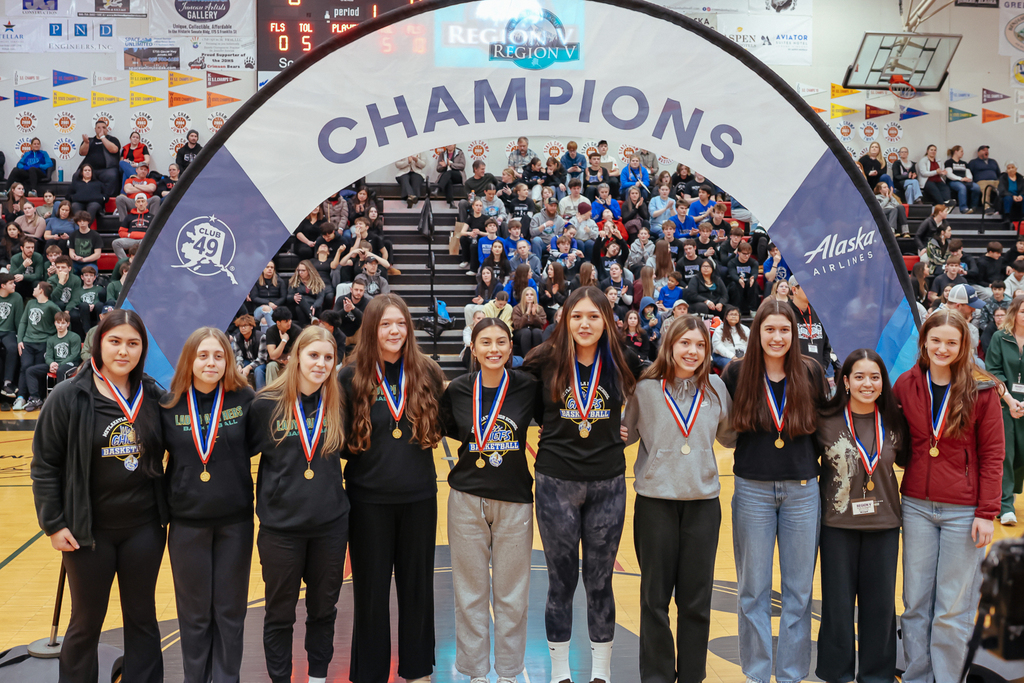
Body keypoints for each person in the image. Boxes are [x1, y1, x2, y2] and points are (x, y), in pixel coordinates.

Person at [31, 309, 166, 683]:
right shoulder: (69, 395)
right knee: (87, 621)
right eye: (115, 341)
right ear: (98, 343)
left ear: (142, 349)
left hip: (144, 527)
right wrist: (53, 524)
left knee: (142, 616)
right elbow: (45, 465)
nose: (124, 351)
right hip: (88, 532)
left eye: (133, 343)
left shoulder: (153, 394)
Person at [521, 286, 640, 683]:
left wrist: (632, 429)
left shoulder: (624, 360)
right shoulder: (543, 360)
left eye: (593, 316)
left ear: (607, 320)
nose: (585, 324)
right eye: (577, 316)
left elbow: (653, 394)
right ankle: (559, 673)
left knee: (600, 580)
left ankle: (601, 674)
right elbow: (519, 404)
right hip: (556, 482)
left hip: (608, 483)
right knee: (561, 580)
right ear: (565, 320)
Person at [893, 310, 1004, 683]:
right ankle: (917, 677)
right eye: (935, 340)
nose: (942, 348)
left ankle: (947, 679)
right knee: (915, 606)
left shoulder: (981, 389)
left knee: (952, 609)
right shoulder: (906, 385)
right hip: (917, 507)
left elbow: (993, 455)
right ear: (924, 341)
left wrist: (986, 511)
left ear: (964, 347)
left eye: (951, 342)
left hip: (964, 511)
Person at [721, 299, 827, 683]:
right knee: (753, 590)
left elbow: (829, 428)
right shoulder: (736, 373)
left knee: (799, 593)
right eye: (770, 330)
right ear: (757, 334)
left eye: (785, 330)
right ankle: (756, 673)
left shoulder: (811, 372)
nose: (778, 337)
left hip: (802, 490)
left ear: (794, 334)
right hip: (752, 490)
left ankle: (792, 675)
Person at [339, 294, 443, 683]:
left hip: (419, 499)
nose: (395, 330)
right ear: (371, 330)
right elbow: (337, 439)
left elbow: (449, 422)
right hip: (367, 501)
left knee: (418, 591)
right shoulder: (349, 378)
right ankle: (370, 673)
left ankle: (418, 671)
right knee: (370, 594)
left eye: (400, 323)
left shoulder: (427, 372)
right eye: (385, 324)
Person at [624, 315, 733, 683]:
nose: (693, 351)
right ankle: (656, 676)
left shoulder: (717, 388)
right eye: (685, 343)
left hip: (703, 505)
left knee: (696, 601)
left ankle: (691, 676)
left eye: (700, 345)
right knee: (654, 600)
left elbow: (731, 436)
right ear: (669, 344)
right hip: (655, 503)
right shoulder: (646, 388)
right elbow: (625, 433)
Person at [247, 325, 348, 683]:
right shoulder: (265, 405)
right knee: (279, 614)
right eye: (313, 355)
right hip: (281, 532)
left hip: (330, 529)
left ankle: (318, 677)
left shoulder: (337, 404)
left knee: (324, 611)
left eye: (328, 357)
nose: (320, 364)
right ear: (295, 358)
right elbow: (235, 455)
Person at [439, 318, 538, 683]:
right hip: (466, 499)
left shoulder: (528, 387)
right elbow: (448, 430)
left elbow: (557, 420)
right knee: (470, 592)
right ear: (474, 349)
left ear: (511, 347)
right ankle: (475, 671)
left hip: (515, 500)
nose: (494, 349)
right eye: (486, 342)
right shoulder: (459, 390)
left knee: (513, 594)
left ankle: (510, 672)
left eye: (501, 342)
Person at [159, 327, 256, 683]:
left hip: (236, 523)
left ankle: (227, 679)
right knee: (194, 614)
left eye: (218, 355)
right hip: (187, 524)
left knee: (230, 612)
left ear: (228, 360)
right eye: (203, 356)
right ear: (190, 360)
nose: (211, 363)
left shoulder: (245, 400)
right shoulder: (168, 405)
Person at [815, 349, 908, 683]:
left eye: (874, 377)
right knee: (838, 607)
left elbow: (909, 461)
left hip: (884, 525)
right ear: (846, 382)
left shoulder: (895, 419)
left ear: (883, 382)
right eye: (859, 376)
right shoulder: (825, 418)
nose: (867, 384)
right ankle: (836, 674)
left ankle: (877, 676)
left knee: (880, 608)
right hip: (837, 526)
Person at [984, 296, 1024, 526]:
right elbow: (993, 372)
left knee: (1020, 455)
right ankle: (1005, 504)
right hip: (1004, 403)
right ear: (1014, 314)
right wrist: (1010, 401)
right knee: (1006, 455)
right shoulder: (1000, 338)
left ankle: (1010, 494)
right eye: (1023, 312)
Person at [14, 281, 60, 410]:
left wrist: (54, 341)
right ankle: (21, 397)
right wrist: (20, 340)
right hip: (28, 342)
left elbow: (63, 321)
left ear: (41, 291)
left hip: (44, 342)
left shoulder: (52, 306)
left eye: (36, 287)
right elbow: (23, 322)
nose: (33, 289)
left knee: (37, 370)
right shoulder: (30, 303)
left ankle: (37, 398)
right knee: (25, 367)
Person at [789, 275, 833, 372]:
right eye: (807, 287)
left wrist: (823, 368)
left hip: (817, 376)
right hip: (794, 375)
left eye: (812, 287)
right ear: (794, 290)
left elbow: (826, 347)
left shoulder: (820, 313)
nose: (812, 290)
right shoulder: (785, 313)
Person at [78, 119, 121, 197]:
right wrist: (86, 143)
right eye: (99, 128)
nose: (101, 129)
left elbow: (114, 150)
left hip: (107, 169)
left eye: (104, 127)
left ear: (107, 129)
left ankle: (108, 199)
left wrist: (102, 137)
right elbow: (82, 153)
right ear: (95, 129)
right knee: (77, 174)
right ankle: (81, 197)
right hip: (90, 170)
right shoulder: (89, 140)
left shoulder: (112, 139)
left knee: (112, 175)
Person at [231, 313, 268, 390]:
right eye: (241, 326)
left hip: (261, 362)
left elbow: (262, 358)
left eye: (245, 326)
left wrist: (248, 367)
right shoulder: (237, 338)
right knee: (236, 368)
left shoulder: (261, 336)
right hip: (247, 360)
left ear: (251, 326)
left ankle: (260, 393)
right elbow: (238, 355)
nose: (243, 328)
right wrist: (239, 365)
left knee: (258, 371)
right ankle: (239, 392)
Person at [944, 145, 981, 214]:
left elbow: (969, 173)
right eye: (961, 151)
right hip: (954, 181)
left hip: (965, 181)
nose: (962, 153)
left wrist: (968, 178)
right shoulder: (949, 162)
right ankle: (963, 208)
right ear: (956, 152)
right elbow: (949, 174)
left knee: (976, 187)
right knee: (962, 187)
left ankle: (974, 207)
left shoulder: (964, 163)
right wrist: (961, 179)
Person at [114, 194, 153, 259]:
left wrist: (139, 235)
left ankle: (141, 262)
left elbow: (154, 233)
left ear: (146, 203)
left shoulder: (152, 217)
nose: (141, 204)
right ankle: (125, 261)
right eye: (138, 202)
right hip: (131, 240)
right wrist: (130, 235)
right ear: (135, 204)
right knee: (116, 243)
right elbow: (121, 232)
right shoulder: (129, 217)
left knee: (147, 242)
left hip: (144, 240)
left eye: (143, 201)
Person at [287, 260, 326, 326]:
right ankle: (311, 317)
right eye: (299, 270)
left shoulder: (318, 282)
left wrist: (315, 306)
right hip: (298, 306)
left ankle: (306, 326)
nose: (300, 272)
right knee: (300, 301)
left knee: (302, 309)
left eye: (303, 270)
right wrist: (293, 297)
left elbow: (320, 297)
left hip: (313, 306)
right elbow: (288, 297)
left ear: (309, 270)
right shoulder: (294, 281)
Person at [250, 262, 288, 329]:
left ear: (274, 270)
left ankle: (265, 338)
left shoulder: (280, 281)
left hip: (275, 309)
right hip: (259, 310)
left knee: (264, 321)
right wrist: (268, 303)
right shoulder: (256, 282)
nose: (270, 269)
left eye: (272, 267)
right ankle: (275, 330)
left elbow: (283, 297)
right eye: (267, 267)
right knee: (266, 308)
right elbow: (254, 297)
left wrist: (274, 305)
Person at [511, 286, 545, 356]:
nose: (529, 296)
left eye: (531, 295)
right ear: (523, 297)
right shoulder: (517, 308)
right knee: (526, 332)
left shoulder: (540, 308)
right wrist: (527, 314)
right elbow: (518, 325)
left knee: (537, 332)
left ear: (534, 296)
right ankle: (527, 358)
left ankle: (538, 358)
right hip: (520, 332)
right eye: (527, 295)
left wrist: (534, 314)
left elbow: (542, 324)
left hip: (534, 331)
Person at [968, 145, 1001, 214]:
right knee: (987, 189)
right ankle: (987, 208)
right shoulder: (973, 162)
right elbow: (969, 173)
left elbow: (998, 173)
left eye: (987, 150)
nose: (986, 151)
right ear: (978, 153)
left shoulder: (993, 161)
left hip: (994, 181)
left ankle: (1001, 208)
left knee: (1003, 188)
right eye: (983, 150)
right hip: (982, 181)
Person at [919, 144, 954, 208]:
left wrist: (943, 172)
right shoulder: (923, 160)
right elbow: (923, 173)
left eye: (935, 150)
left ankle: (947, 202)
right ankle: (942, 206)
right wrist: (936, 172)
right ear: (927, 151)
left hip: (938, 180)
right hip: (928, 181)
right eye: (931, 150)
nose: (933, 151)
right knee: (935, 190)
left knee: (946, 189)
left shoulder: (939, 160)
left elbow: (940, 171)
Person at [433, 144, 466, 208]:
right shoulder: (442, 154)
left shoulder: (460, 153)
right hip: (446, 177)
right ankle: (451, 203)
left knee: (449, 173)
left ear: (454, 145)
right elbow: (438, 168)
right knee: (448, 181)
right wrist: (444, 166)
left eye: (451, 144)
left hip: (458, 175)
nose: (449, 145)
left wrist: (451, 164)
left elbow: (462, 166)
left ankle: (438, 189)